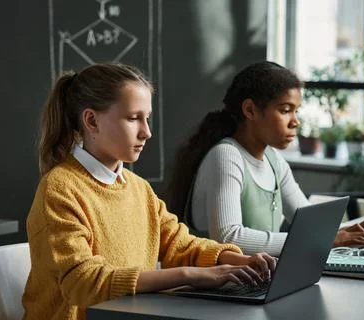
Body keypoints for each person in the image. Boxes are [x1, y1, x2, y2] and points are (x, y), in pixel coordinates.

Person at [22, 63, 277, 320]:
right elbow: (82, 282)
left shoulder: (137, 188)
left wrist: (235, 259)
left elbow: (180, 246)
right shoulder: (59, 189)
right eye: (133, 118)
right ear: (91, 120)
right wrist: (190, 275)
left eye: (147, 118)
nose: (147, 132)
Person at [167, 61, 364, 257]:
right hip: (218, 292)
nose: (295, 122)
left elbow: (306, 223)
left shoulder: (273, 159)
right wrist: (324, 239)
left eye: (296, 111)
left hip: (256, 282)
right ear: (250, 110)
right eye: (285, 110)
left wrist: (344, 233)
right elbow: (228, 237)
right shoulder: (226, 156)